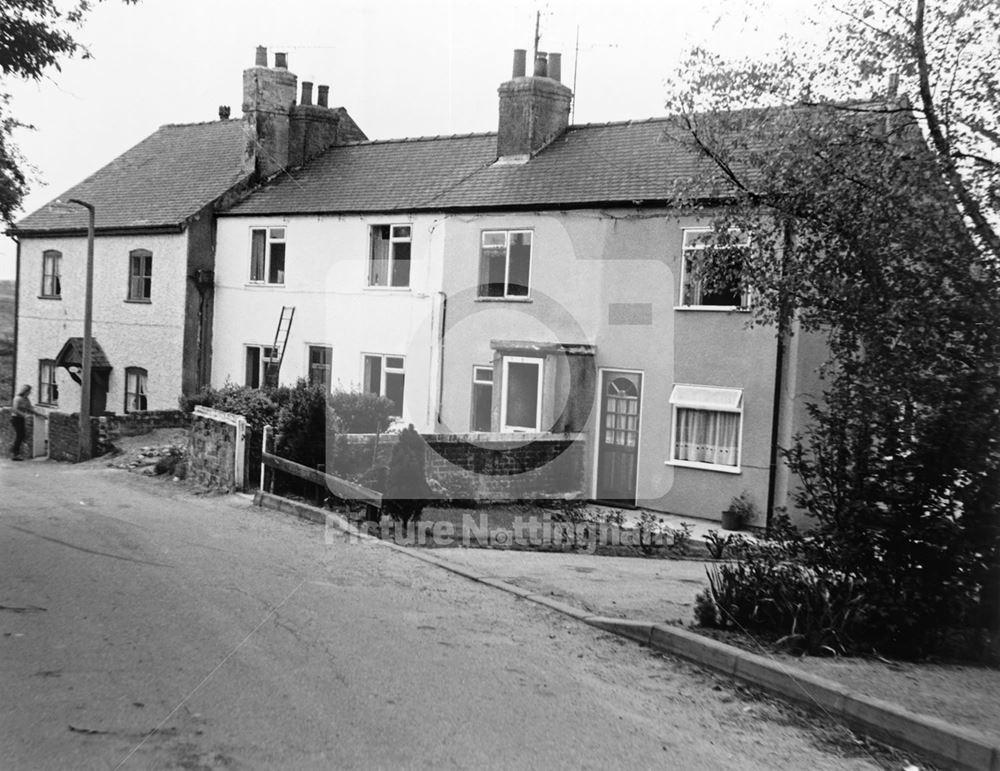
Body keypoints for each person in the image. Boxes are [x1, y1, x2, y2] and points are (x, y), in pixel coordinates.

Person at [10, 385, 47, 461]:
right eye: (29, 391)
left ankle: (16, 451)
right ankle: (15, 454)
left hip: (22, 418)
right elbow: (14, 409)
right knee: (20, 435)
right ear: (25, 391)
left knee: (22, 435)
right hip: (16, 418)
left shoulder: (26, 399)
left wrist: (41, 415)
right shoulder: (17, 399)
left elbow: (30, 409)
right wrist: (25, 415)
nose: (30, 393)